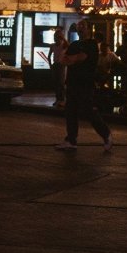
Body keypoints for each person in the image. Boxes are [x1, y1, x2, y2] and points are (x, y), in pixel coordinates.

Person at [55, 17, 113, 152]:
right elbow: (63, 60)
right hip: (72, 82)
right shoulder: (75, 44)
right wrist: (73, 59)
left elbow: (81, 57)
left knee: (88, 111)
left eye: (83, 25)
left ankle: (106, 134)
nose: (80, 28)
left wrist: (72, 59)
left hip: (85, 83)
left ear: (89, 29)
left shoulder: (91, 44)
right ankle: (71, 139)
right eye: (79, 25)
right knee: (70, 111)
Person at [47, 26, 68, 107]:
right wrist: (50, 65)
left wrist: (63, 38)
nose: (56, 39)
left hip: (62, 65)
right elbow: (49, 56)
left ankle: (62, 99)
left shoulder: (64, 45)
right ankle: (58, 99)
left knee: (61, 83)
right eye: (55, 37)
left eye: (58, 37)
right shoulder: (53, 46)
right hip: (55, 64)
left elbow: (69, 46)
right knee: (56, 83)